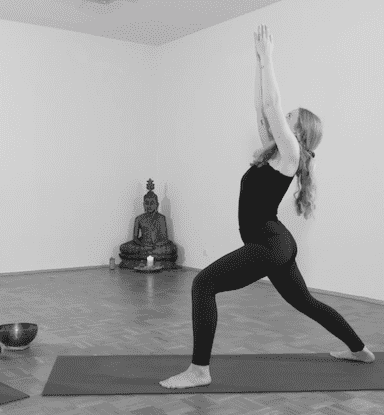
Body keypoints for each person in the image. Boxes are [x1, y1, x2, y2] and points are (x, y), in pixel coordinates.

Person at [159, 24, 374, 389]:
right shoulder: (274, 152)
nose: (281, 118)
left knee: (202, 284)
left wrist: (269, 57)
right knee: (306, 302)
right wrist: (258, 64)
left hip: (268, 243)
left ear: (299, 133)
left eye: (289, 119)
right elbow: (262, 108)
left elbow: (272, 105)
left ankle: (199, 370)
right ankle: (360, 350)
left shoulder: (291, 154)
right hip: (276, 242)